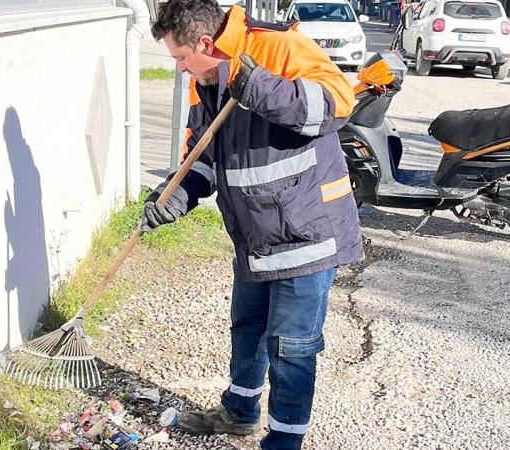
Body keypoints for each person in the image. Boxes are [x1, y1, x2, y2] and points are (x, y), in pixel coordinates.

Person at [143, 0, 363, 448]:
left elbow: (336, 105)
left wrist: (254, 83)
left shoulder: (278, 46)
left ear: (205, 43)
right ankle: (240, 410)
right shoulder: (204, 82)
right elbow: (203, 157)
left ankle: (283, 441)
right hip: (256, 237)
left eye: (182, 59)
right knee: (247, 328)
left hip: (306, 233)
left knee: (292, 349)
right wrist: (175, 197)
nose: (183, 70)